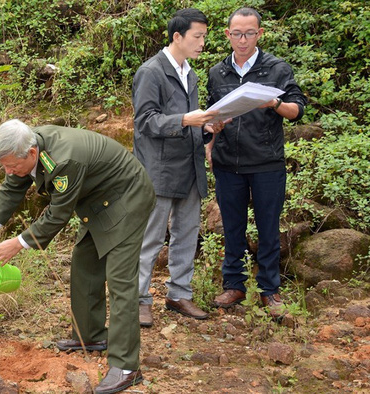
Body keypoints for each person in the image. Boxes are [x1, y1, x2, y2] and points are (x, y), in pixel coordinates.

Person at [0, 119, 155, 394]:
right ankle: (90, 337)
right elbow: (12, 186)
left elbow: (58, 214)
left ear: (32, 154)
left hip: (127, 198)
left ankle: (126, 366)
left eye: (12, 165)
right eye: (5, 165)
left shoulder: (63, 160)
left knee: (120, 281)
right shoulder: (27, 147)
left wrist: (18, 243)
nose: (8, 171)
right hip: (98, 201)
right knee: (84, 263)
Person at [206, 7, 307, 319]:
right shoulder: (217, 72)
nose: (243, 39)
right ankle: (234, 285)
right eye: (237, 33)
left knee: (268, 228)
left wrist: (274, 103)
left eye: (250, 33)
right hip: (227, 163)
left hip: (266, 162)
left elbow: (297, 110)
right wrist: (210, 137)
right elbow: (210, 115)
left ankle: (269, 289)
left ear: (260, 34)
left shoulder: (276, 68)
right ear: (227, 35)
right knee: (232, 228)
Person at [132, 8, 225, 327]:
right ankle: (139, 298)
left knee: (187, 234)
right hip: (158, 170)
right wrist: (186, 119)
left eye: (204, 37)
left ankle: (178, 294)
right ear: (177, 36)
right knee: (150, 238)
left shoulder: (191, 74)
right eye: (197, 37)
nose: (202, 43)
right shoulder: (151, 72)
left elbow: (191, 126)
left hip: (190, 167)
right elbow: (144, 122)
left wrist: (209, 128)